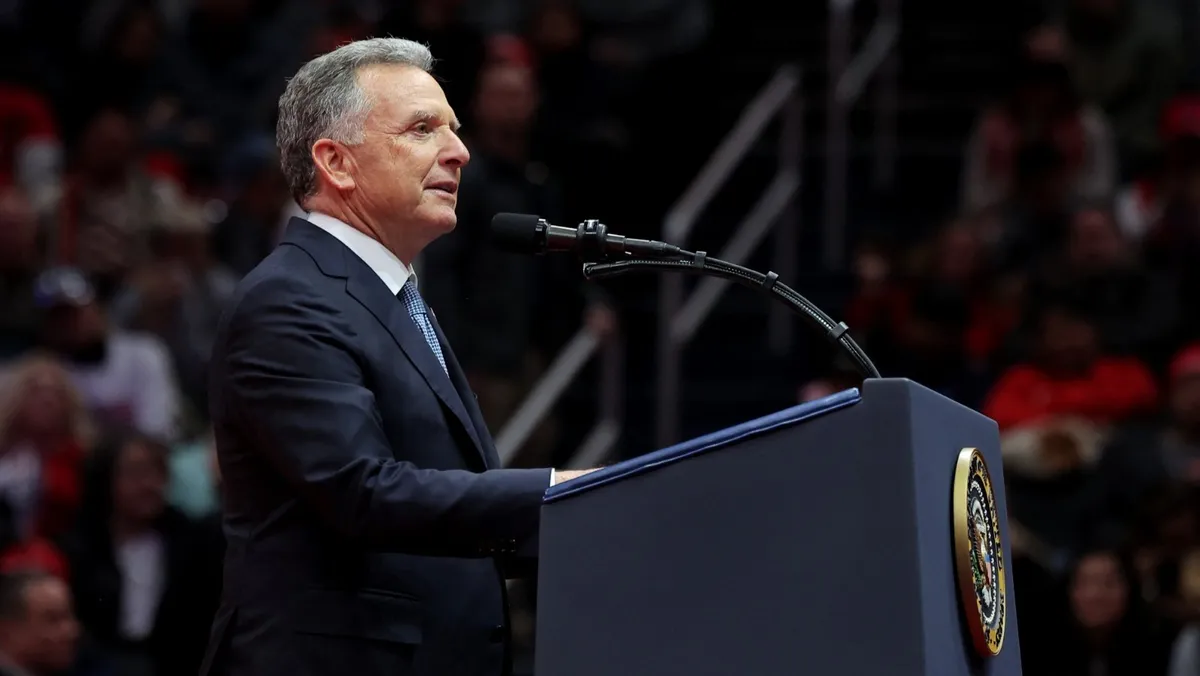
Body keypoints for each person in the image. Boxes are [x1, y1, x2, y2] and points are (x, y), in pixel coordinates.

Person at [200, 38, 596, 676]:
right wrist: (559, 492)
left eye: (454, 128)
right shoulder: (288, 300)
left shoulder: (393, 297)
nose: (459, 151)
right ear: (337, 163)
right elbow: (363, 492)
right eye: (422, 129)